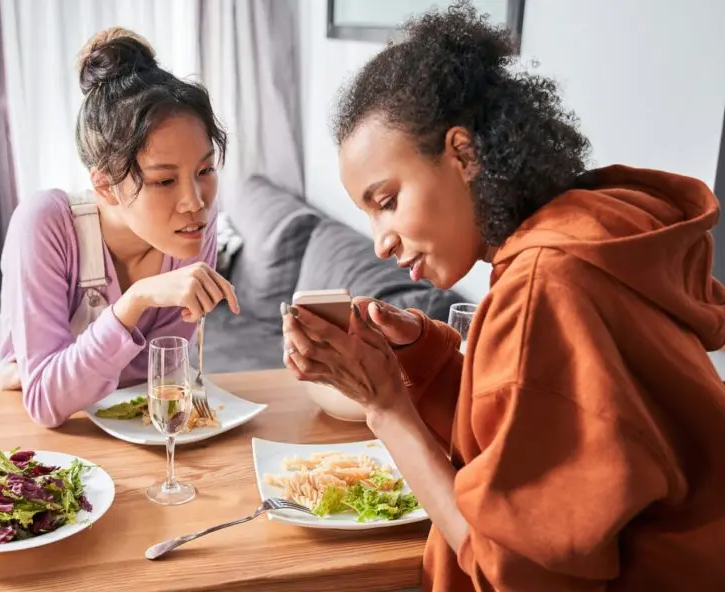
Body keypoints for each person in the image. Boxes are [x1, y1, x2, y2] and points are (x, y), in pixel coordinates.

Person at [281, 3, 725, 590]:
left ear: (463, 154)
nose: (381, 244)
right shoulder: (593, 233)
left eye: (387, 201)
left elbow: (510, 570)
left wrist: (385, 406)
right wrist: (424, 355)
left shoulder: (546, 286)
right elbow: (541, 431)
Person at [0, 27, 239, 428]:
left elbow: (158, 377)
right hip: (24, 434)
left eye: (205, 170)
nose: (196, 201)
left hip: (124, 430)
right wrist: (135, 301)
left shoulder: (191, 228)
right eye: (164, 180)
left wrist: (65, 374)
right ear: (105, 185)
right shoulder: (45, 225)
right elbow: (48, 403)